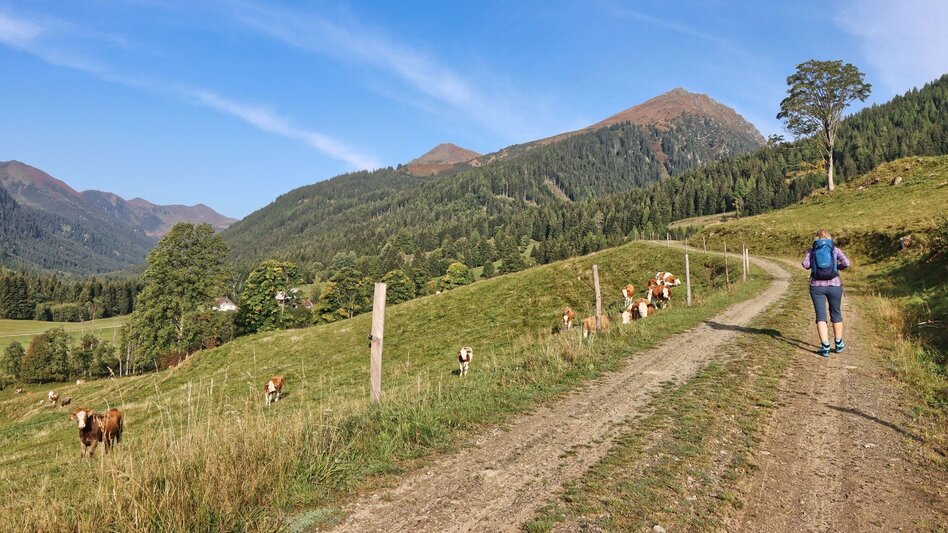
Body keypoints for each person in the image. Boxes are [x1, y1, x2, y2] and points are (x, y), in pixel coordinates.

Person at [802, 229, 852, 357]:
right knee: (836, 314)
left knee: (821, 316)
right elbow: (847, 263)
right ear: (829, 238)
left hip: (816, 287)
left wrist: (814, 266)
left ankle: (825, 346)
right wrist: (836, 267)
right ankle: (839, 343)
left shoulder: (811, 250)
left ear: (815, 239)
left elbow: (805, 264)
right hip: (834, 285)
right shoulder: (834, 249)